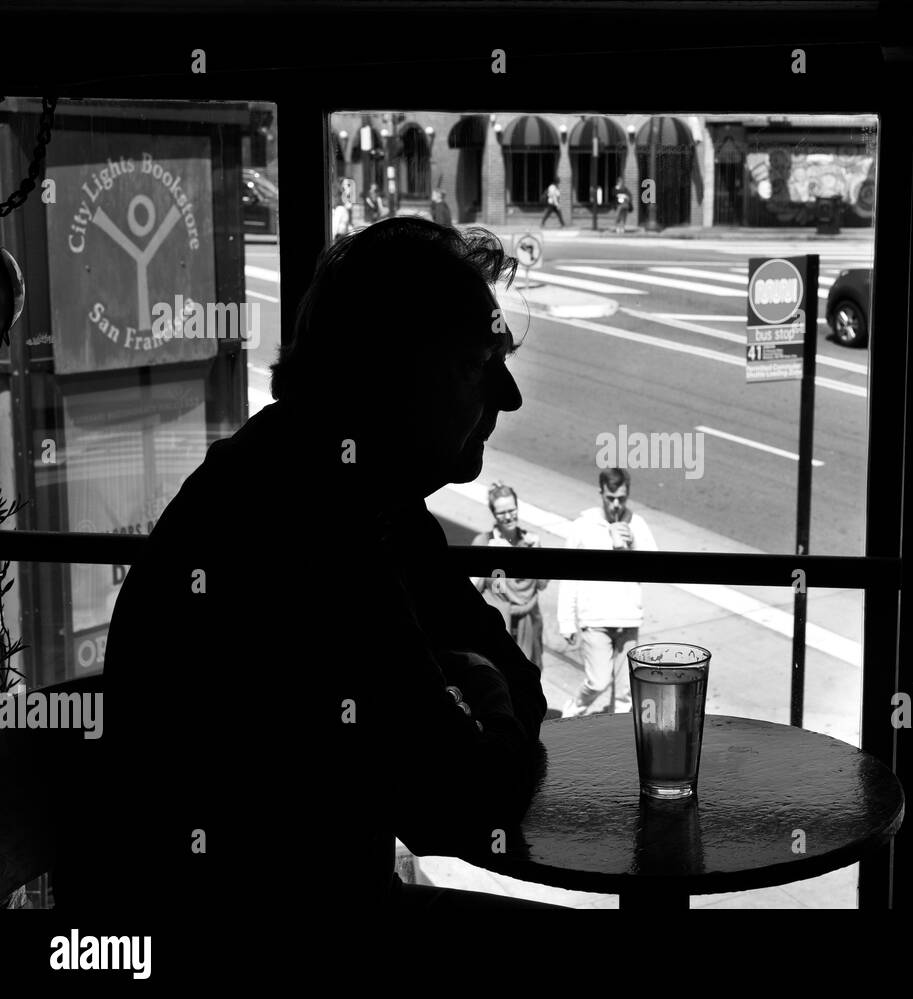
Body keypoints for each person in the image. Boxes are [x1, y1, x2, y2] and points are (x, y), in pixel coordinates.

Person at [58, 218, 561, 954]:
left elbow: (512, 691)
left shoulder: (353, 487)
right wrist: (476, 685)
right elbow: (460, 798)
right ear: (397, 374)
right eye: (476, 362)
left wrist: (471, 686)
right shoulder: (316, 513)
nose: (507, 396)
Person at [556, 467, 657, 717]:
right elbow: (569, 577)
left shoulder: (637, 523)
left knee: (625, 694)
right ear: (601, 493)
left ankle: (616, 742)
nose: (615, 505)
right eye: (610, 498)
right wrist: (566, 621)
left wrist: (632, 543)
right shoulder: (583, 526)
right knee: (598, 681)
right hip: (596, 619)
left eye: (621, 499)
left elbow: (657, 567)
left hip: (628, 619)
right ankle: (572, 713)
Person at [471, 481, 547, 667]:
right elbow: (471, 589)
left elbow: (542, 585)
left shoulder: (529, 541)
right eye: (502, 512)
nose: (508, 516)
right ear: (494, 514)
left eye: (512, 510)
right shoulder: (484, 542)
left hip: (527, 623)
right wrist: (489, 558)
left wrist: (536, 552)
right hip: (497, 624)